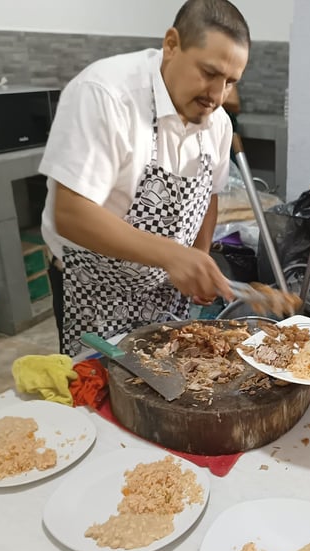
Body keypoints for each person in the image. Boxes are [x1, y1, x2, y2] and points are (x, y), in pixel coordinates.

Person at [38, 0, 248, 355]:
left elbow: (209, 194)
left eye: (229, 82)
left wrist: (198, 257)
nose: (216, 95)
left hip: (166, 291)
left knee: (172, 389)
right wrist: (172, 255)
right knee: (102, 397)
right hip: (96, 291)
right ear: (171, 45)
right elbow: (70, 213)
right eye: (209, 73)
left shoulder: (218, 123)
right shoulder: (104, 94)